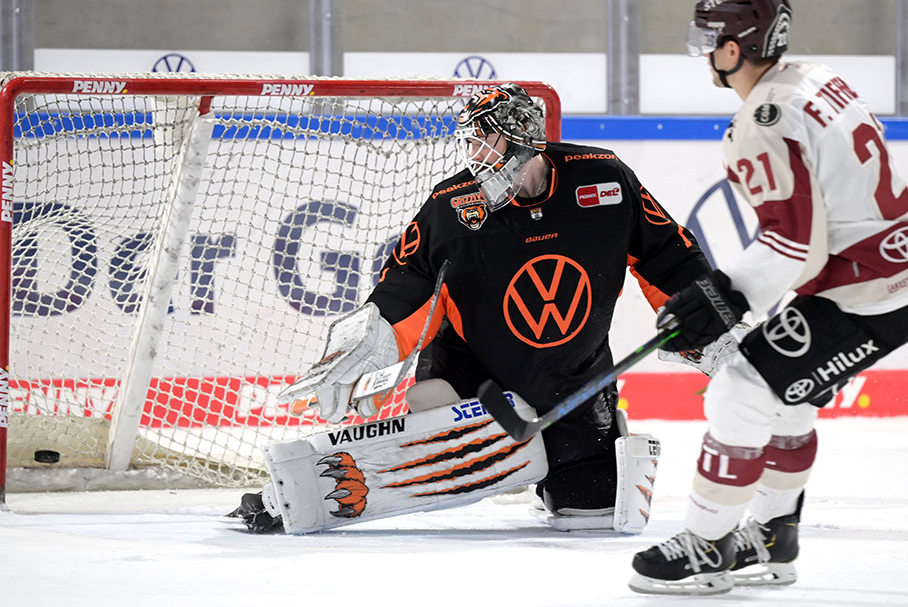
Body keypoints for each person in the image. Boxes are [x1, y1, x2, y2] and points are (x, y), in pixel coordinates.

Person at [232, 81, 721, 534]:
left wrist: (712, 323)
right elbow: (408, 282)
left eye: (488, 142)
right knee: (442, 439)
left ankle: (566, 462)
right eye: (470, 143)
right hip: (473, 380)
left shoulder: (605, 180)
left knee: (591, 511)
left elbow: (669, 257)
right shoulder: (452, 204)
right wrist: (367, 341)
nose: (476, 156)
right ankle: (301, 492)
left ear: (525, 139)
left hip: (574, 384)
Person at [629, 0, 908, 596]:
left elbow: (792, 242)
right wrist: (729, 294)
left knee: (739, 392)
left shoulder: (763, 120)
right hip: (902, 268)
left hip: (873, 290)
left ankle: (706, 545)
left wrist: (721, 295)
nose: (703, 52)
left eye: (710, 40)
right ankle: (774, 539)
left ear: (733, 50)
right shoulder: (814, 78)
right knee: (782, 395)